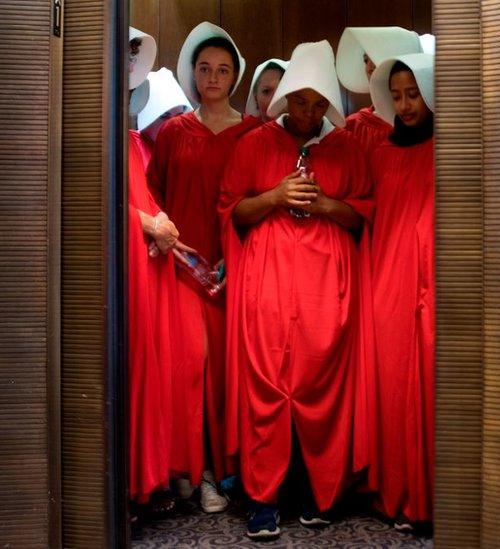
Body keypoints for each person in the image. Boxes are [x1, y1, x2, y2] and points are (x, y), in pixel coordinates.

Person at [219, 40, 373, 539]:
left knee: (320, 386)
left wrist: (326, 204)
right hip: (268, 286)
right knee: (267, 385)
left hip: (327, 289)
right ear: (285, 98)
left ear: (328, 104)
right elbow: (233, 211)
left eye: (317, 104)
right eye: (300, 101)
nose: (307, 112)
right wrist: (275, 195)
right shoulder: (254, 144)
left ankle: (318, 492)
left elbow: (363, 215)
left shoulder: (348, 149)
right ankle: (263, 499)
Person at [147, 21, 260, 514]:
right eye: (204, 69)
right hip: (182, 271)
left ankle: (226, 471)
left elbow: (260, 201)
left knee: (228, 377)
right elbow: (153, 198)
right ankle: (191, 471)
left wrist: (243, 258)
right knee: (188, 371)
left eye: (223, 69)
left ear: (235, 77)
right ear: (193, 73)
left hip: (239, 272)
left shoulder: (254, 133)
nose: (213, 77)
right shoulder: (173, 132)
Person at [367, 52, 435, 532]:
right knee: (392, 391)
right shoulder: (382, 153)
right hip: (389, 283)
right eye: (396, 96)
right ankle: (398, 496)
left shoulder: (450, 148)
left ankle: (433, 500)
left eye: (413, 94)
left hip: (433, 280)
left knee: (432, 389)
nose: (405, 105)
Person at [127, 27, 190, 515]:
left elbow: (144, 200)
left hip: (146, 270)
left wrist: (159, 224)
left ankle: (146, 483)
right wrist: (145, 223)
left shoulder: (126, 139)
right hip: (120, 282)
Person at [336, 26, 422, 162]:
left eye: (375, 57)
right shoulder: (354, 125)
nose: (369, 67)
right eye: (366, 60)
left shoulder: (426, 124)